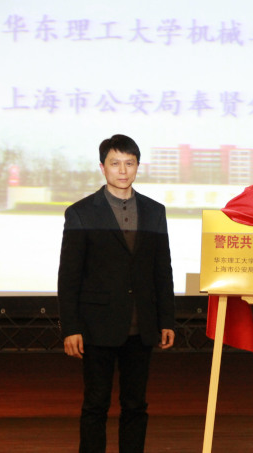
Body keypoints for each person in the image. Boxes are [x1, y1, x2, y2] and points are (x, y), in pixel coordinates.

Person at [58, 134, 175, 453]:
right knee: (95, 405)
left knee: (136, 405)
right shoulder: (81, 212)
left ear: (138, 166)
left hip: (142, 326)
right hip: (96, 326)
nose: (123, 170)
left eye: (129, 163)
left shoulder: (154, 211)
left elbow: (162, 270)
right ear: (102, 167)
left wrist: (167, 320)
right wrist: (70, 327)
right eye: (115, 163)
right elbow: (69, 276)